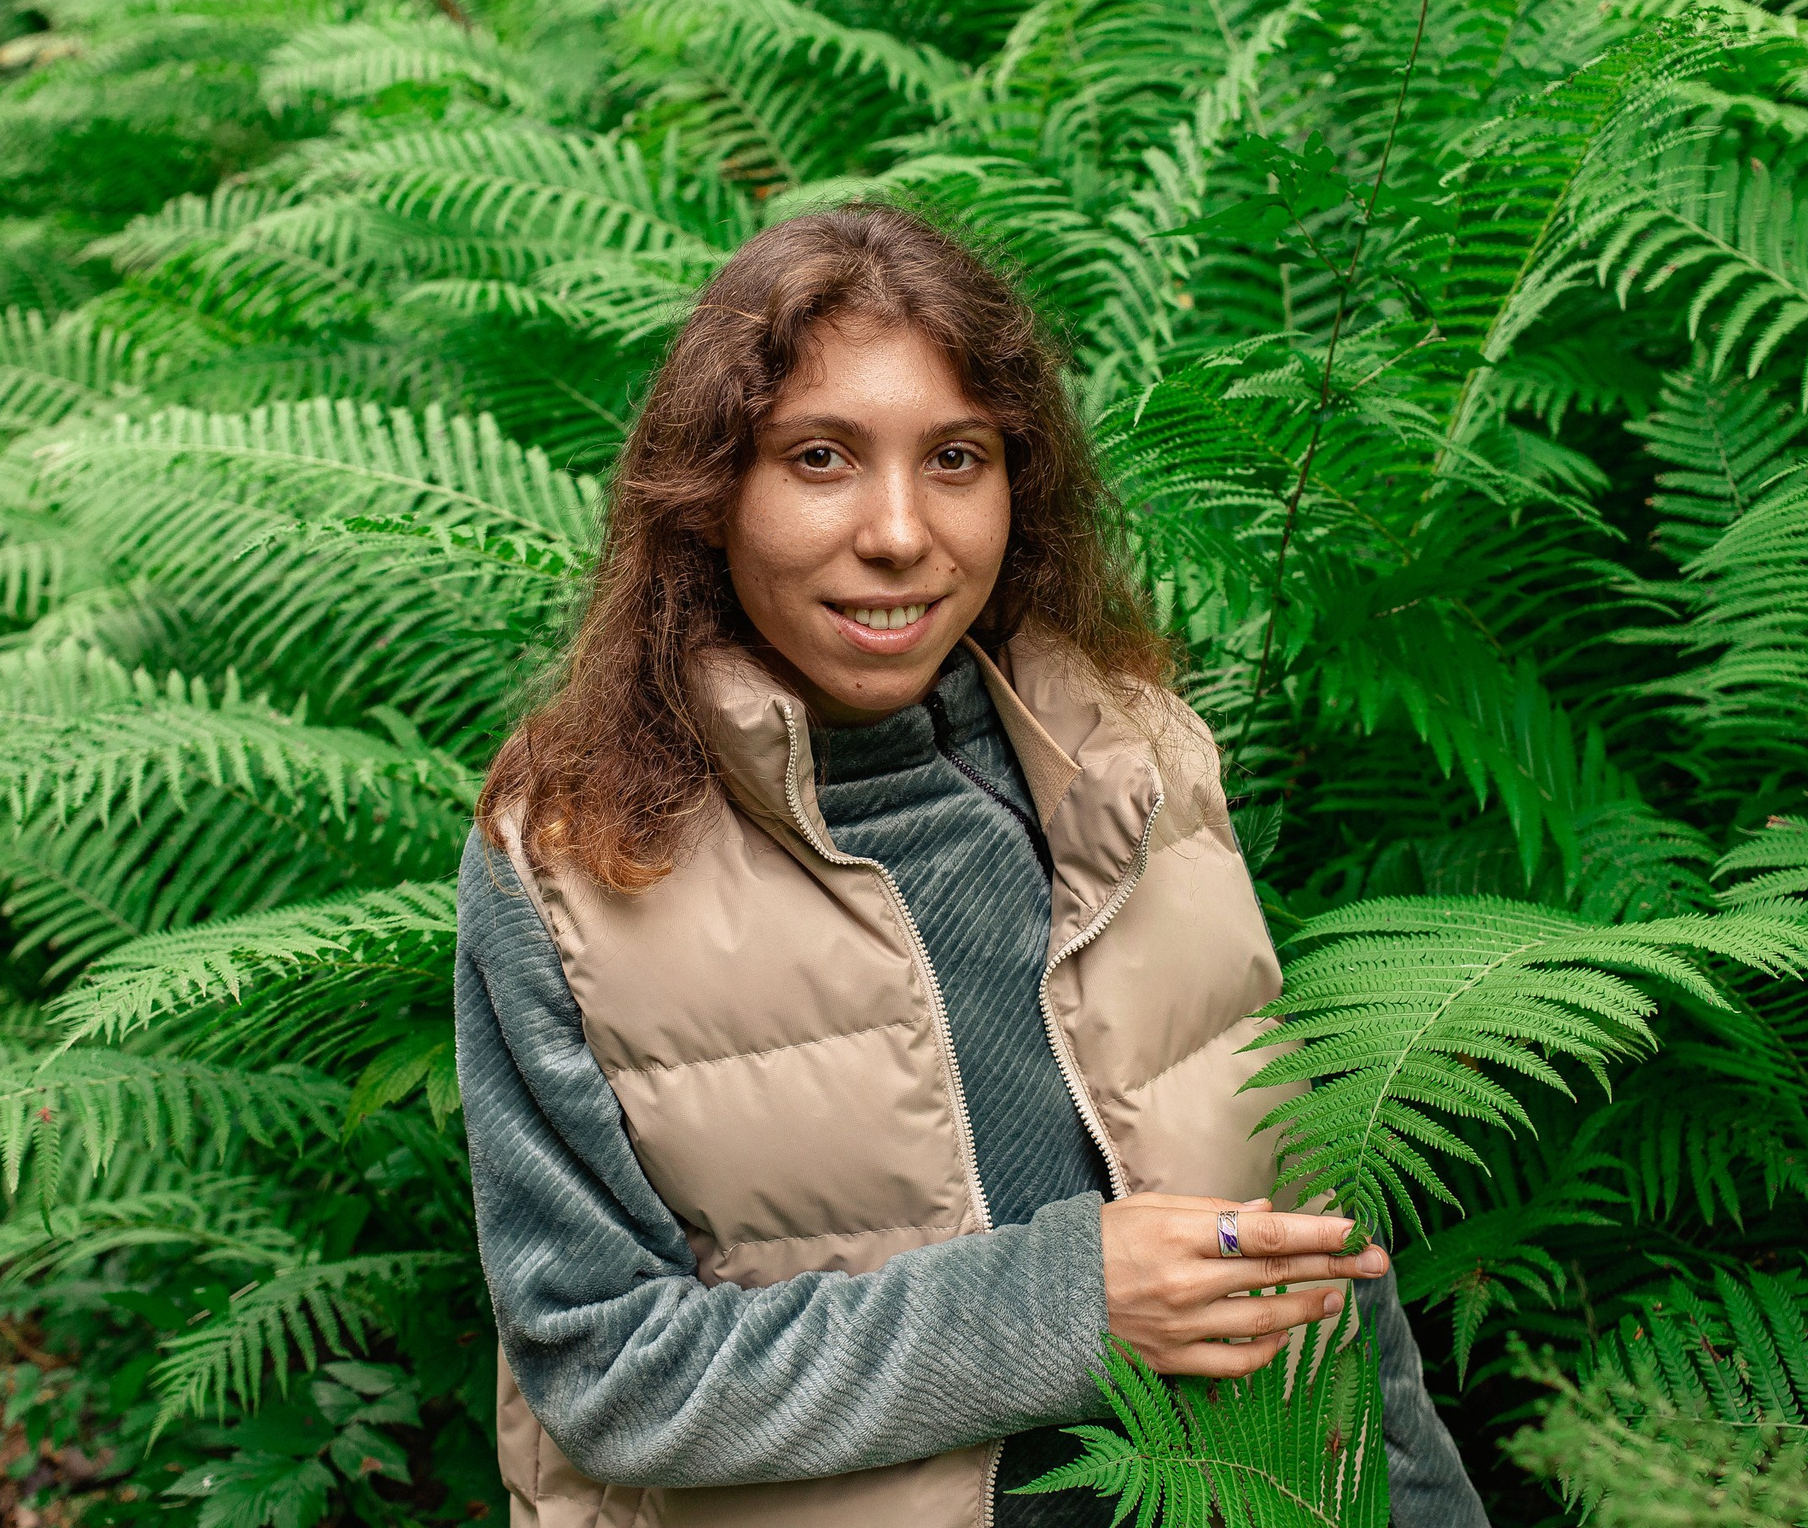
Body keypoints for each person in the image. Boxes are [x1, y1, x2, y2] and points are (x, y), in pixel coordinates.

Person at [455, 206, 1487, 1527]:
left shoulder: (1139, 765)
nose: (900, 532)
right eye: (820, 457)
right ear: (710, 492)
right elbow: (607, 1375)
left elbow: (1320, 1268)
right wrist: (1061, 1308)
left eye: (956, 458)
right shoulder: (569, 863)